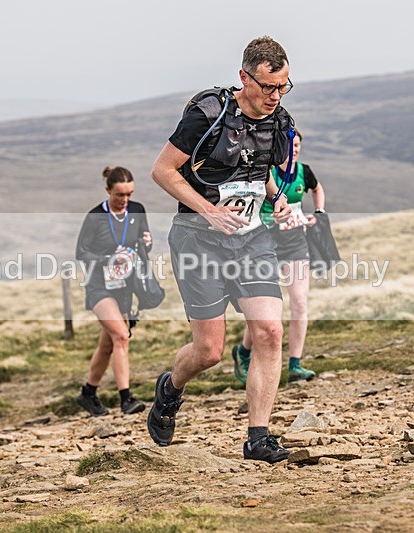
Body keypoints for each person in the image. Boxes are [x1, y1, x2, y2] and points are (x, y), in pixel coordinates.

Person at [147, 36, 296, 463]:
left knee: (269, 332)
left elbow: (257, 168)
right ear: (243, 77)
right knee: (209, 351)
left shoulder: (277, 118)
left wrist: (275, 197)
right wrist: (209, 210)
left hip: (251, 239)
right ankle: (170, 389)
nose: (275, 95)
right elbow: (162, 171)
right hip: (198, 238)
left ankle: (258, 437)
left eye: (283, 86)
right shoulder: (207, 114)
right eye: (267, 86)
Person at [232, 130, 325, 384]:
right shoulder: (268, 172)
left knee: (300, 303)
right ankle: (243, 351)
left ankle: (295, 364)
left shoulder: (304, 171)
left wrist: (318, 212)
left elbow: (317, 189)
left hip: (296, 244)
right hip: (267, 244)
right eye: (290, 145)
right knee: (267, 311)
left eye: (297, 145)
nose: (294, 149)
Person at [75, 166, 151, 416]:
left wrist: (146, 244)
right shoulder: (95, 216)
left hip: (125, 287)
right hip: (99, 286)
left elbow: (142, 246)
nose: (125, 200)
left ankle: (88, 394)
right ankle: (126, 399)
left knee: (107, 345)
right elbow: (81, 253)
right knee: (121, 336)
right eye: (119, 195)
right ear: (108, 190)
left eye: (129, 194)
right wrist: (108, 258)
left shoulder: (137, 210)